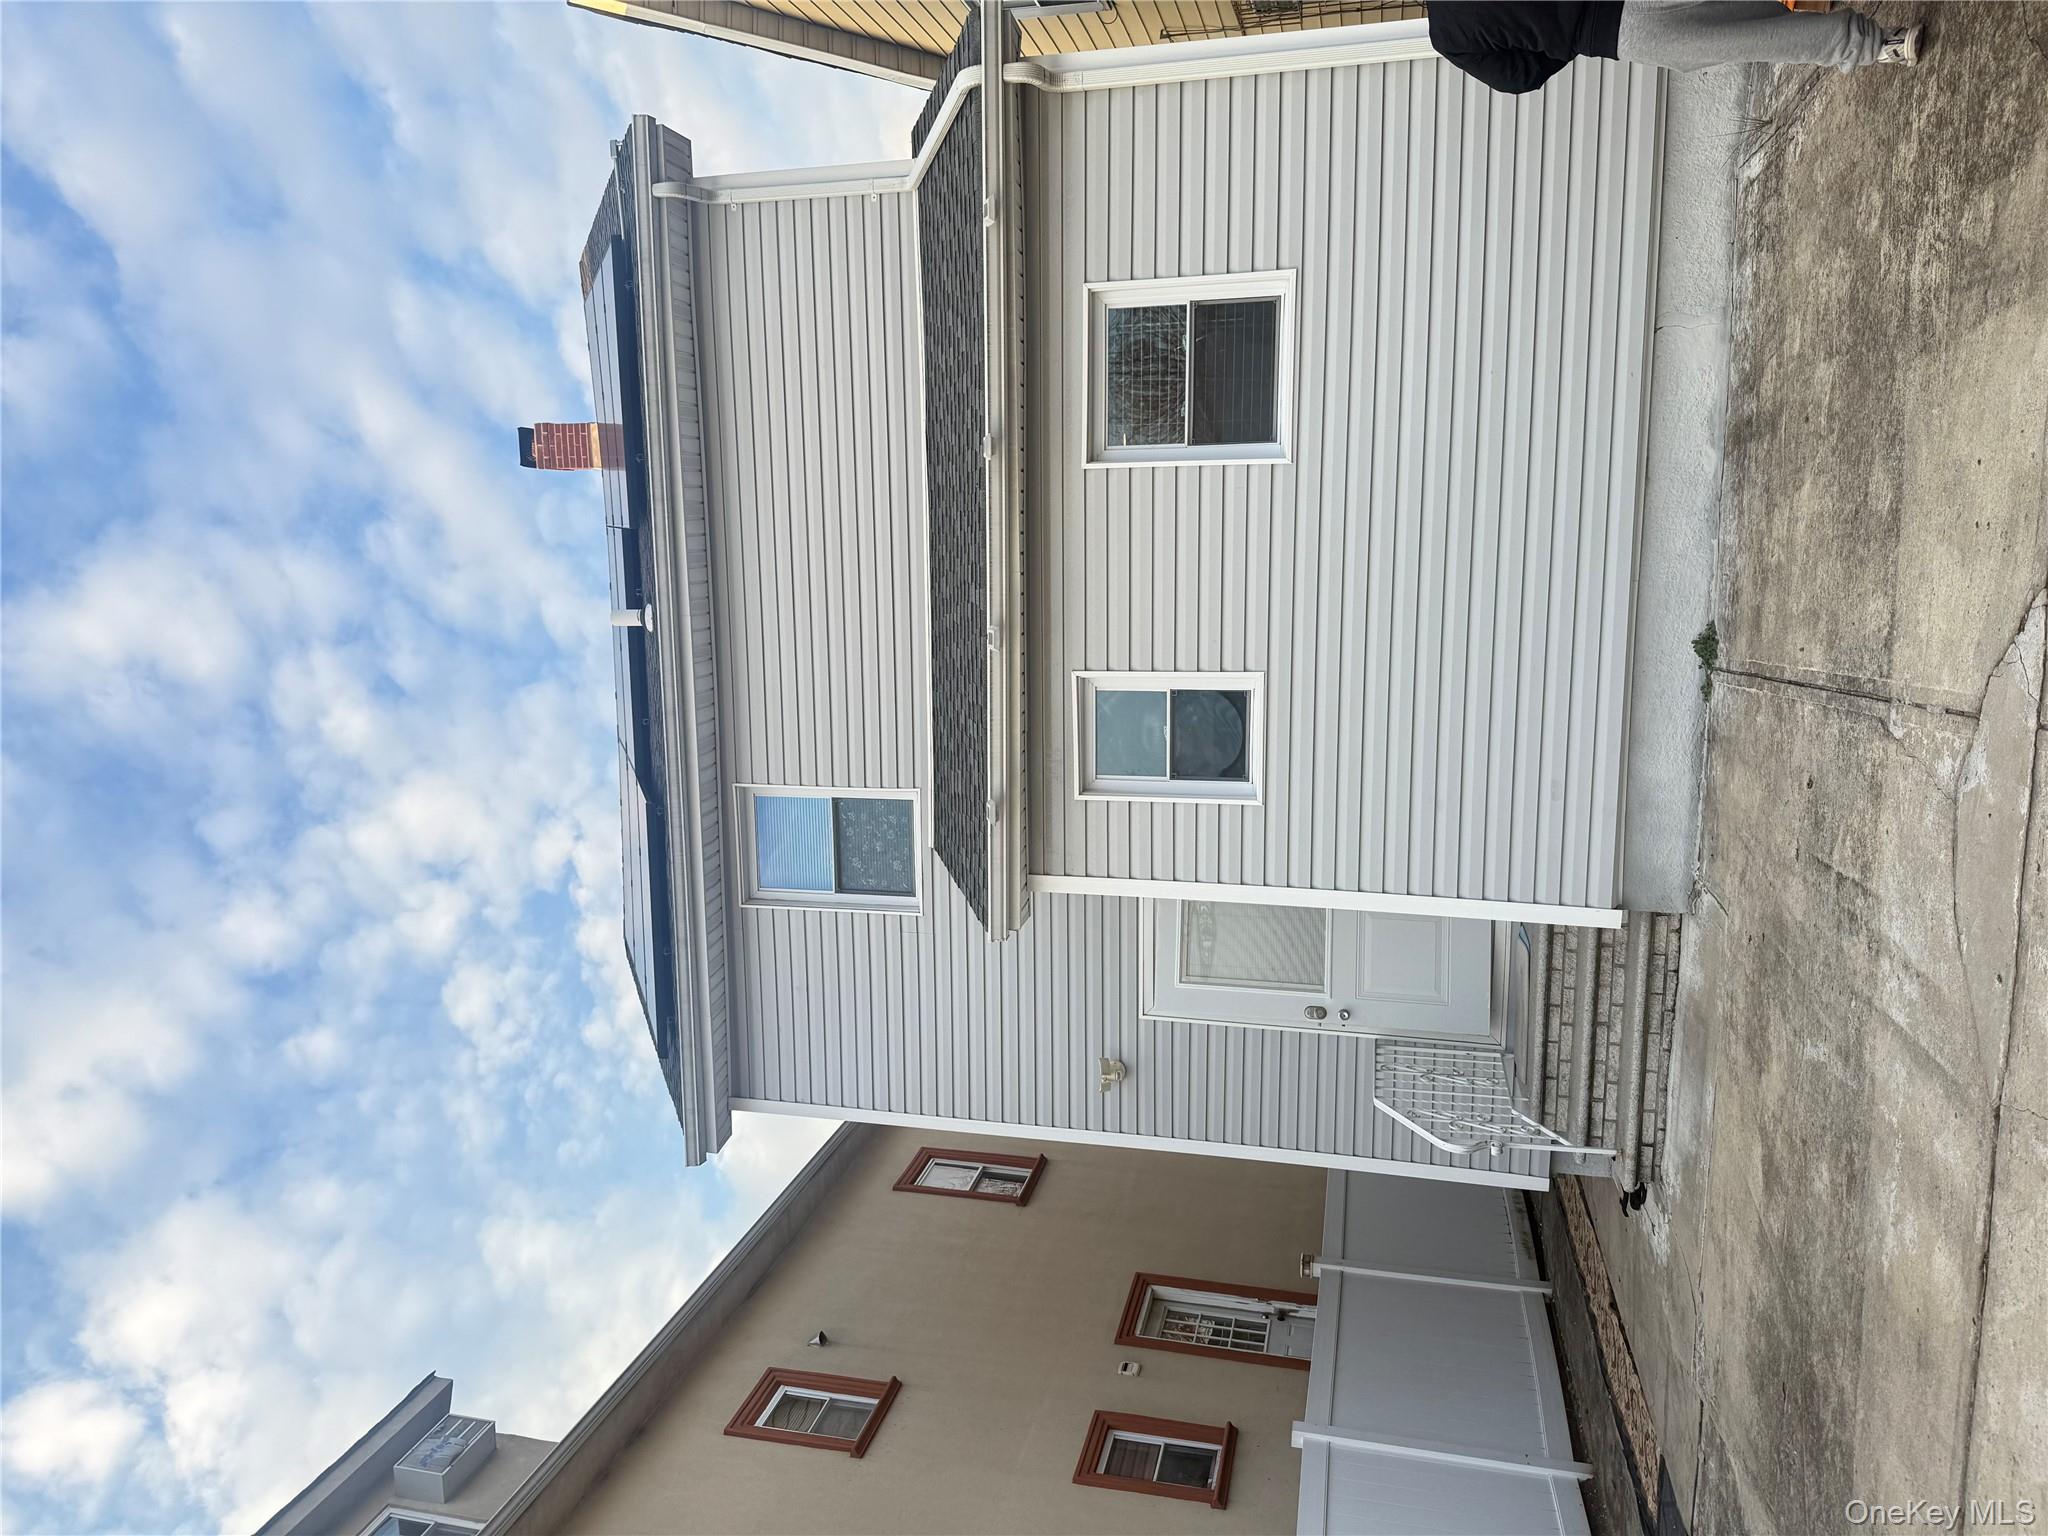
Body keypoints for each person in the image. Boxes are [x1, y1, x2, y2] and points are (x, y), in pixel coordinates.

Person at [1427, 0, 1922, 96]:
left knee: (1754, 36)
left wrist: (1565, 36)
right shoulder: (1448, 34)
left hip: (1616, 33)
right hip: (1616, 23)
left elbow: (1520, 78)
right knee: (1752, 24)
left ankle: (1880, 44)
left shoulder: (1449, 35)